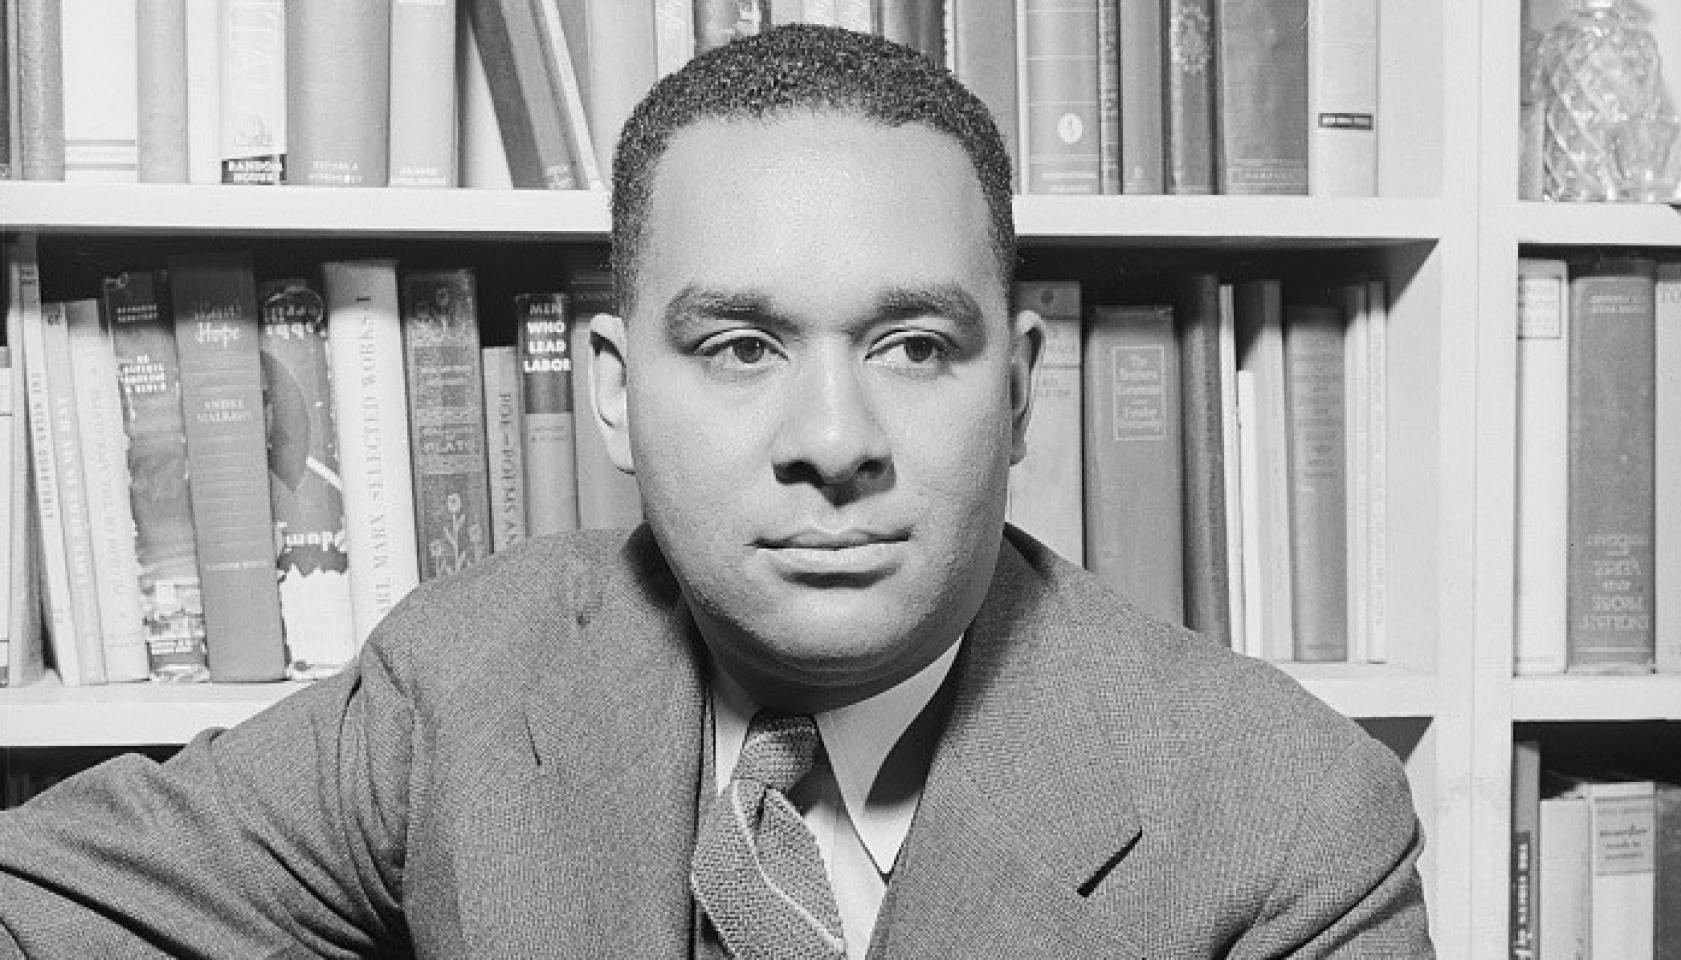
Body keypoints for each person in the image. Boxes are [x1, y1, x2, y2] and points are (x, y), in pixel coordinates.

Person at [0, 25, 1432, 959]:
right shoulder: (460, 689)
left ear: (1017, 388)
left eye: (914, 346)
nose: (834, 440)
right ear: (614, 390)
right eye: (742, 347)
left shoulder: (1290, 822)